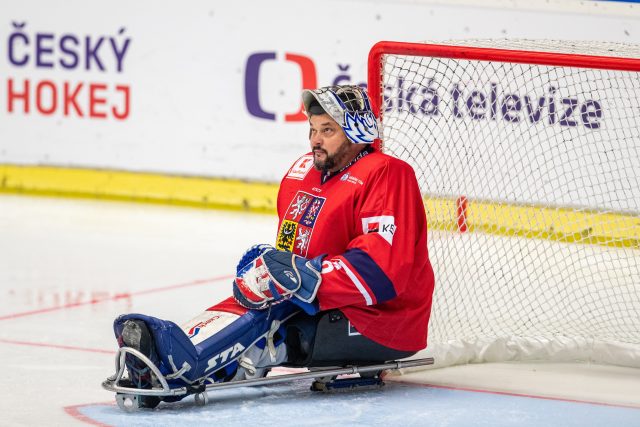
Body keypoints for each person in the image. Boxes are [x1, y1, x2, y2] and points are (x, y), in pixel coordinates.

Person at [112, 85, 435, 407]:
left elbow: (382, 270)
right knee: (258, 300)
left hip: (382, 319)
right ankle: (172, 358)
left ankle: (177, 366)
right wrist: (276, 268)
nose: (315, 140)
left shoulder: (387, 173)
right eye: (312, 129)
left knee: (274, 312)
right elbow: (295, 253)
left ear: (355, 131)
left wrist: (304, 277)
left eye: (328, 130)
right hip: (327, 301)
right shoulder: (302, 173)